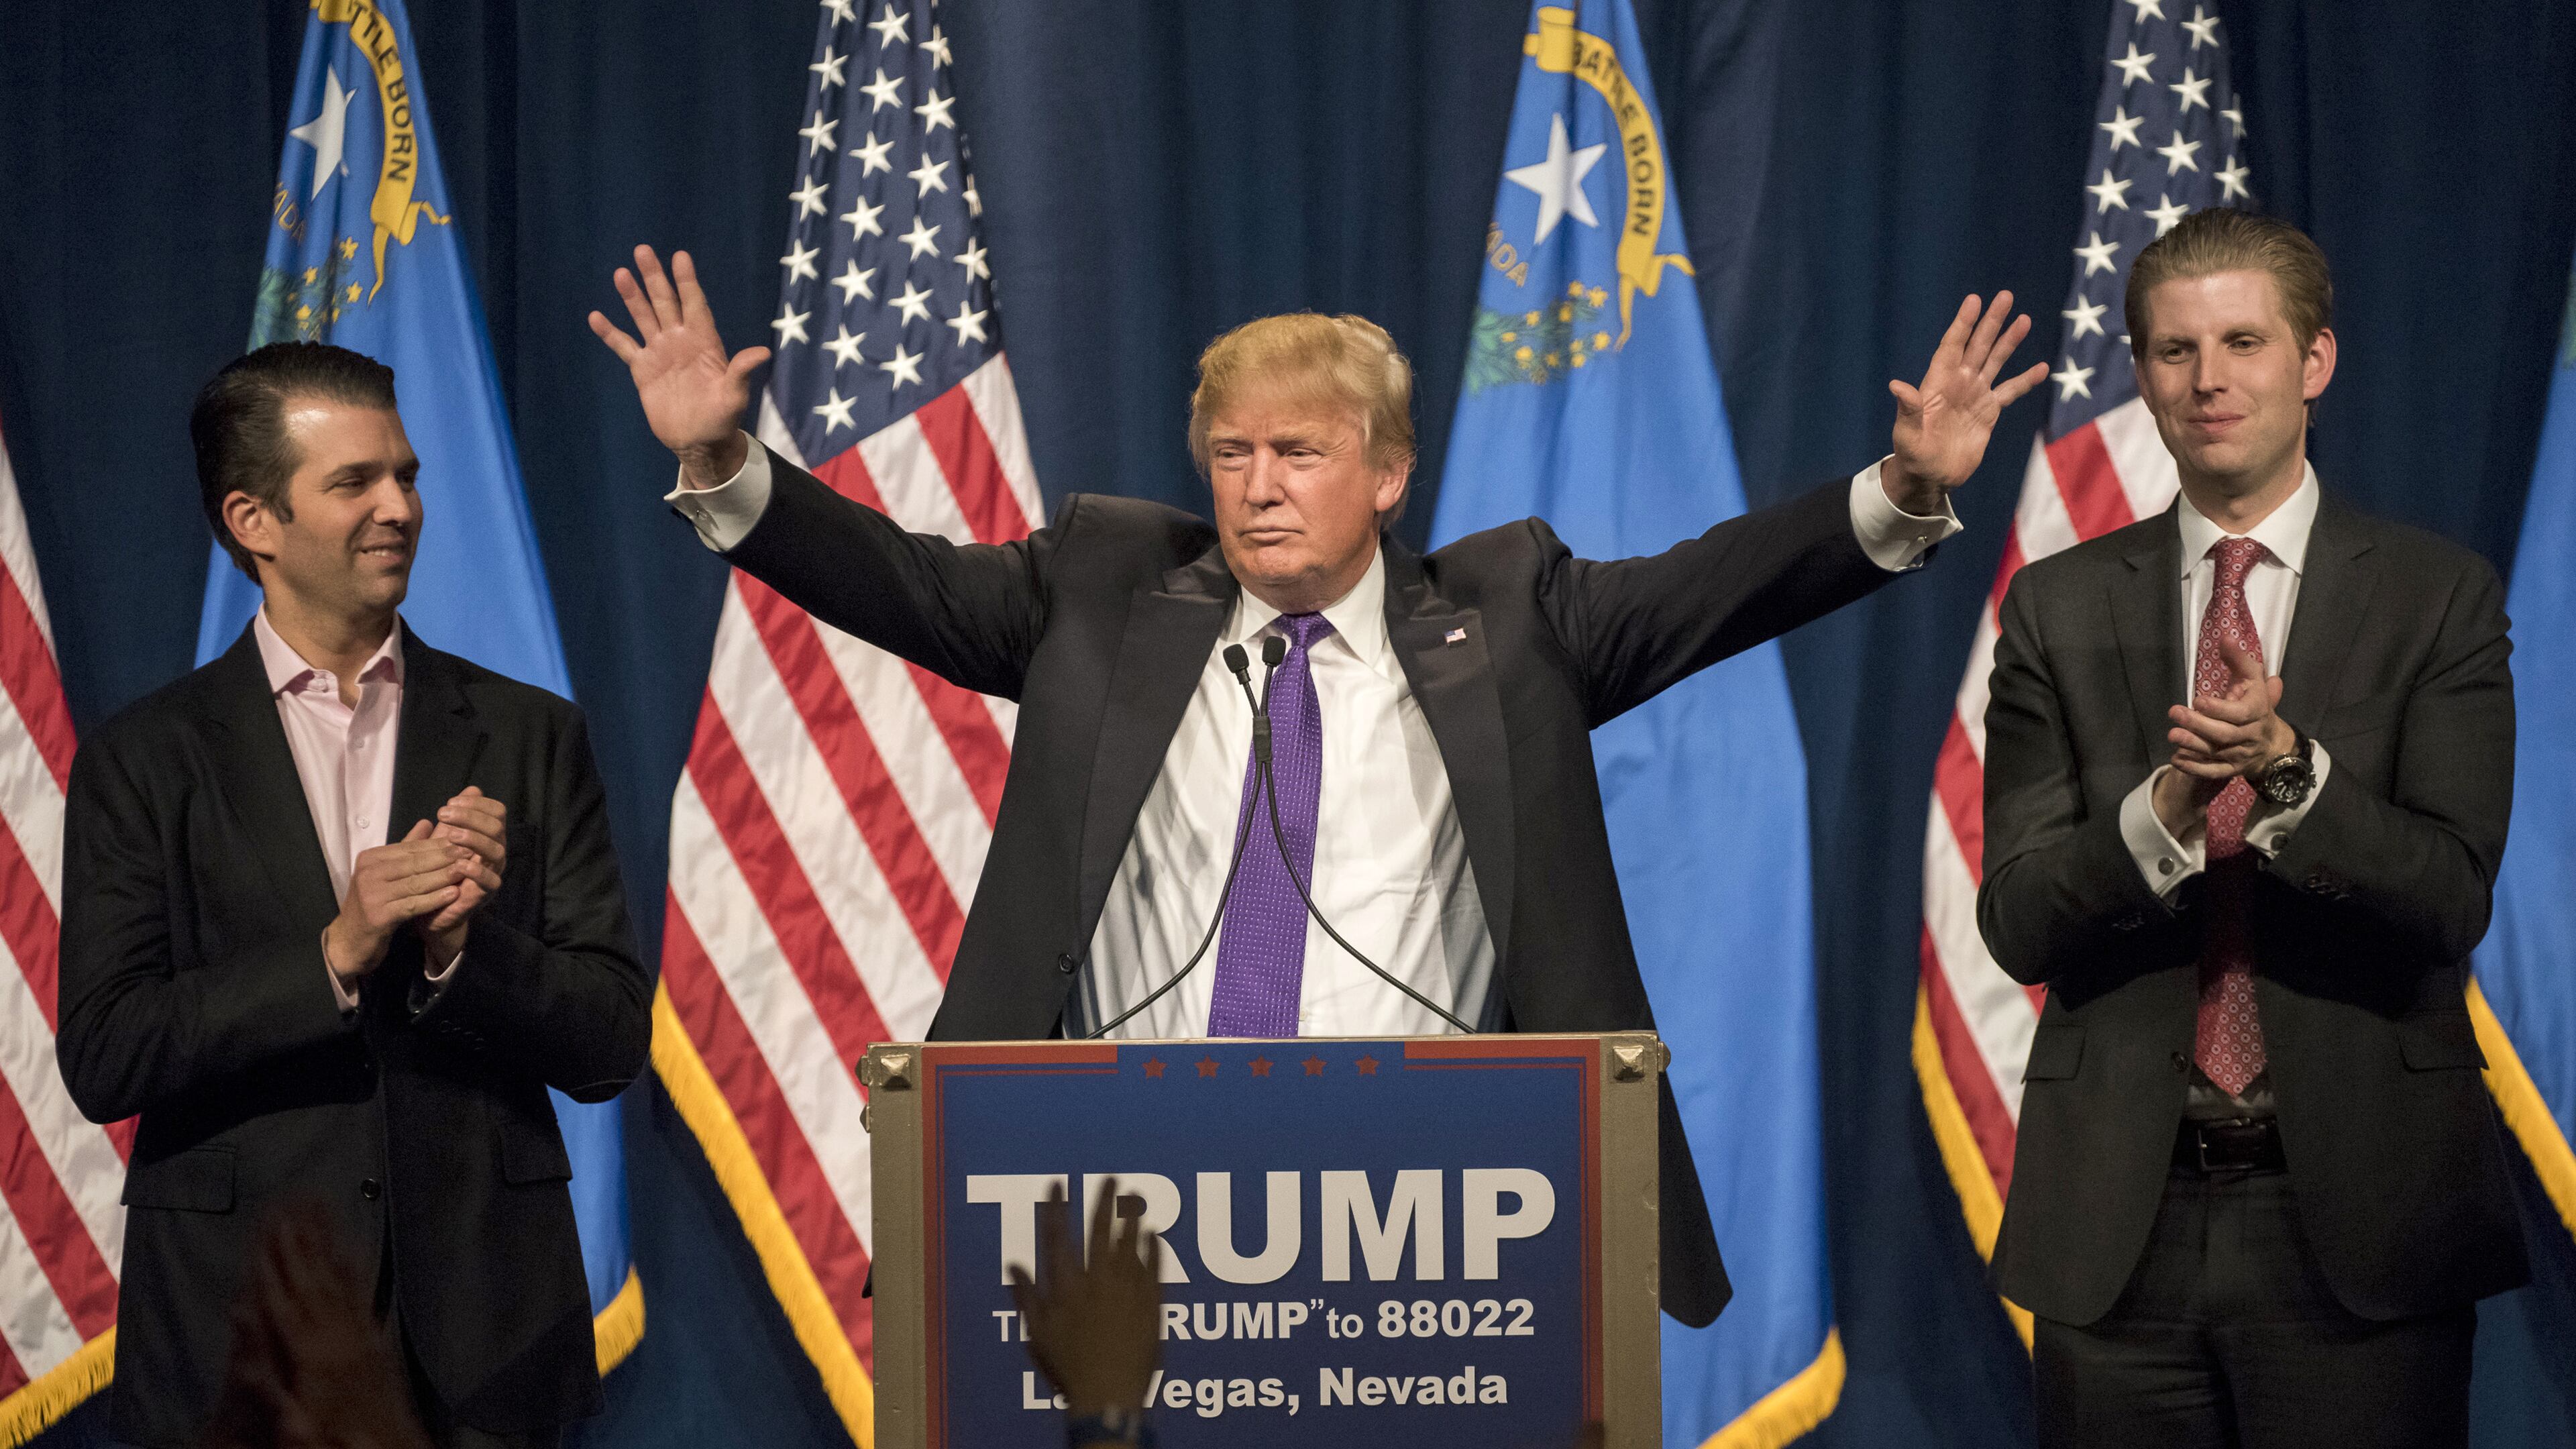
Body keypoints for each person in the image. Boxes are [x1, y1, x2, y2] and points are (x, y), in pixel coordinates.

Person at [590, 245, 2045, 1327]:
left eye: (1299, 452)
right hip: (1121, 1184)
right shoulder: (1100, 595)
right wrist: (725, 459)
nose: (1259, 485)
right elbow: (891, 580)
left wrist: (1906, 488)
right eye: (1232, 454)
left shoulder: (1513, 617)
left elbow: (1730, 583)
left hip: (1430, 1197)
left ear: (1388, 476)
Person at [1978, 209, 2526, 1447]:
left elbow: (2450, 895)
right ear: (2143, 376)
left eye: (2242, 343)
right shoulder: (2058, 606)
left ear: (2314, 361)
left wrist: (2290, 776)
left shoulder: (2436, 596)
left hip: (2362, 1223)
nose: (2208, 380)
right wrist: (2162, 818)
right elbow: (2017, 920)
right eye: (2175, 352)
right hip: (2120, 1224)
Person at [56, 343, 654, 1449]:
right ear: (254, 520)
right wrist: (335, 952)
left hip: (488, 1345)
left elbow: (611, 1043)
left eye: (407, 476)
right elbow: (106, 1054)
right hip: (244, 1347)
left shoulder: (530, 735)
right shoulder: (146, 759)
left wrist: (460, 951)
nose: (400, 508)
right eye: (355, 482)